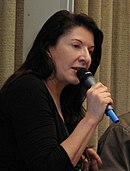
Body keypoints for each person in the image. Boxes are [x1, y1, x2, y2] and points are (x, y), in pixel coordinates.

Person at [0, 10, 113, 171]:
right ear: (48, 48)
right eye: (76, 46)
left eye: (90, 51)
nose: (86, 57)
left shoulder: (64, 98)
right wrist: (91, 118)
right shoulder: (27, 88)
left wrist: (80, 151)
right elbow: (47, 166)